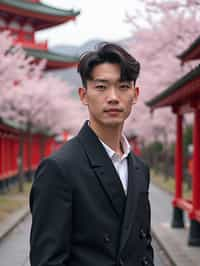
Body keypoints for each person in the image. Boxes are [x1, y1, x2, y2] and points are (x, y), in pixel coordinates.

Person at [29, 42, 154, 266]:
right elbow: (47, 260)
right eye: (101, 87)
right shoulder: (59, 168)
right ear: (83, 95)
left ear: (135, 95)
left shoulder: (139, 168)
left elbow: (143, 248)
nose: (113, 97)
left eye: (123, 86)